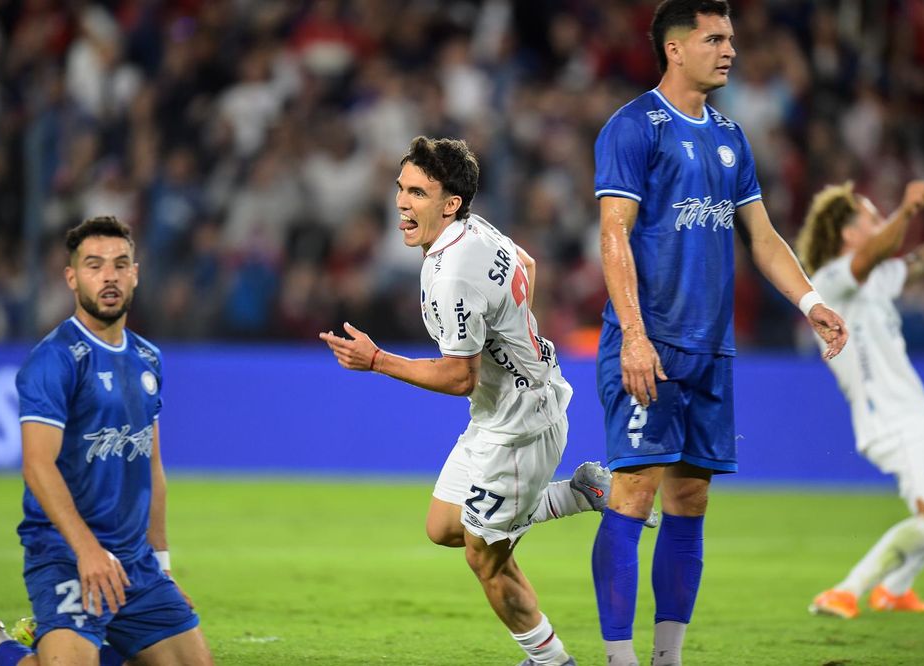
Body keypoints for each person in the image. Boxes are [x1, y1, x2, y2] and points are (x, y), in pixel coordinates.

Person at [590, 2, 849, 665]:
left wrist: (809, 300)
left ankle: (667, 657)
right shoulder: (633, 127)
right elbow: (613, 233)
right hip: (649, 343)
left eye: (730, 37)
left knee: (691, 496)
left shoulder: (731, 134)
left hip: (712, 349)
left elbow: (762, 238)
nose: (730, 49)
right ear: (675, 49)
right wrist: (635, 337)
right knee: (635, 491)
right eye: (715, 37)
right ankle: (620, 661)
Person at [321, 136, 613, 666]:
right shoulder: (475, 232)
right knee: (444, 527)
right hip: (497, 415)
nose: (401, 203)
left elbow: (459, 377)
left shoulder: (452, 271)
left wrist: (376, 360)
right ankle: (579, 493)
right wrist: (518, 333)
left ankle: (552, 661)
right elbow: (526, 263)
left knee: (487, 559)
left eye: (417, 192)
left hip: (519, 429)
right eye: (400, 189)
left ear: (450, 203)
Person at [0, 216, 212, 666]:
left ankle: (76, 638)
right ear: (72, 277)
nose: (109, 276)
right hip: (64, 554)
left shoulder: (147, 358)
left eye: (121, 265)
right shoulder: (53, 360)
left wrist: (162, 569)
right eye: (95, 265)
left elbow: (152, 468)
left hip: (135, 564)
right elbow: (38, 466)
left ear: (135, 274)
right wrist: (87, 552)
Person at [798, 180, 924, 619]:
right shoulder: (829, 282)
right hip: (891, 421)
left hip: (918, 417)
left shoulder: (877, 278)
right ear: (847, 234)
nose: (880, 222)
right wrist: (908, 211)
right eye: (871, 217)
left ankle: (896, 588)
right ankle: (845, 591)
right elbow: (872, 256)